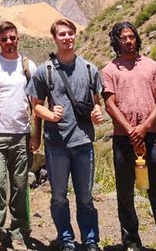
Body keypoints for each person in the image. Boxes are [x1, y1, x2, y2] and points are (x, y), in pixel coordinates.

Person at [26, 18, 103, 251]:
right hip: (56, 144)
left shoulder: (90, 70)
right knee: (59, 196)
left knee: (86, 197)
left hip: (83, 143)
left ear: (75, 35)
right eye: (62, 34)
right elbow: (36, 106)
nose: (67, 38)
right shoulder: (44, 71)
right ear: (54, 38)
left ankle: (90, 241)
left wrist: (98, 114)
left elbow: (96, 103)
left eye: (70, 33)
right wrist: (49, 116)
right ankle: (66, 239)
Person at [102, 21, 156, 251]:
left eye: (131, 36)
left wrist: (144, 126)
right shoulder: (109, 70)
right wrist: (130, 129)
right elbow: (109, 104)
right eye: (123, 37)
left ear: (137, 38)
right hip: (123, 138)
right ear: (116, 41)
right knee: (125, 194)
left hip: (153, 136)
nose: (128, 41)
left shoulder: (152, 66)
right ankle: (132, 242)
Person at [0, 21, 37, 251]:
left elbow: (37, 102)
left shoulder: (29, 66)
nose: (9, 42)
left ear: (18, 38)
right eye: (4, 39)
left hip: (22, 135)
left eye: (12, 38)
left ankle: (20, 233)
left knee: (21, 186)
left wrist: (35, 133)